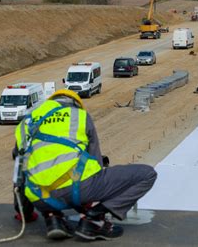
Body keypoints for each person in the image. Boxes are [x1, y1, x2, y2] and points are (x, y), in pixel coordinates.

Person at [12, 89, 157, 241]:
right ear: (76, 105)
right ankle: (94, 220)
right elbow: (95, 163)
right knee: (147, 174)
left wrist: (24, 213)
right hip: (78, 189)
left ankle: (53, 218)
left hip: (40, 197)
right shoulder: (79, 116)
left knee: (43, 181)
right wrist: (89, 203)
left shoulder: (26, 123)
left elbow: (19, 171)